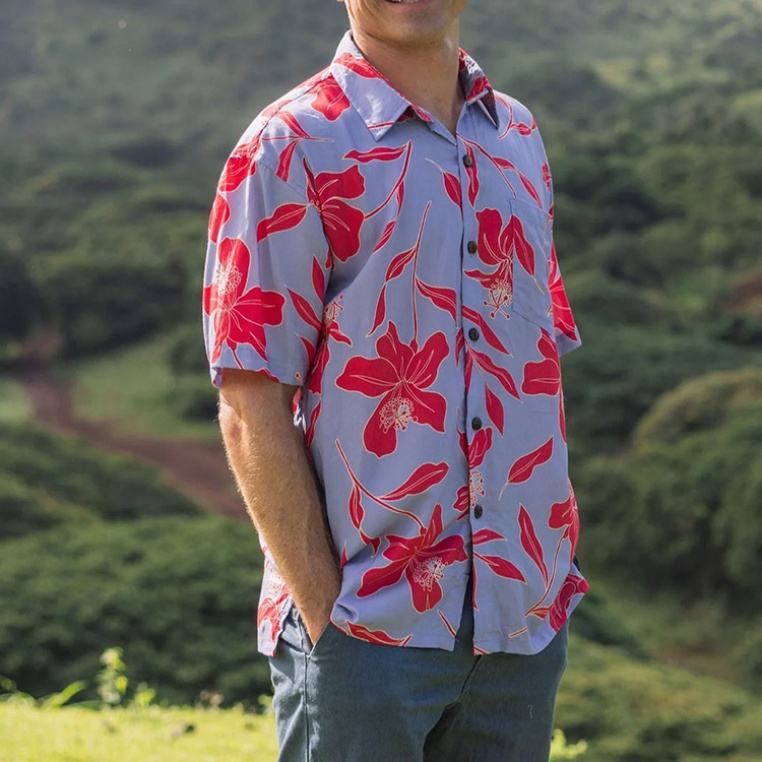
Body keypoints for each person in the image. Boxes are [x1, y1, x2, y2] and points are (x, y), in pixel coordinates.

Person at [202, 1, 589, 759]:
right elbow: (250, 404)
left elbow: (529, 362)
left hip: (521, 626)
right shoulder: (290, 144)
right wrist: (327, 617)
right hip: (365, 630)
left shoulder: (516, 135)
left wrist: (549, 570)